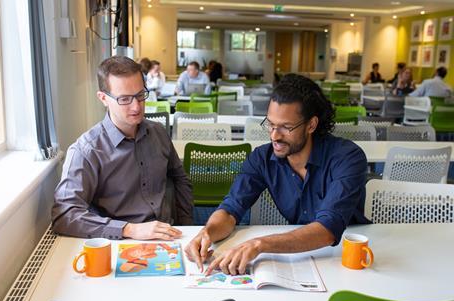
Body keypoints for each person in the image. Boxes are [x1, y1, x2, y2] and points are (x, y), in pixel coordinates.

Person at [185, 73, 369, 275]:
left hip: (351, 259)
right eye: (271, 124)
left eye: (286, 127)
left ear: (311, 125)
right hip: (301, 258)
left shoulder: (347, 157)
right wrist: (207, 233)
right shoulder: (262, 159)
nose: (274, 135)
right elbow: (230, 210)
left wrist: (259, 244)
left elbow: (327, 230)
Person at [52, 56, 193, 240]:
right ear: (103, 98)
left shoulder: (158, 133)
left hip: (168, 236)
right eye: (125, 99)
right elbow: (64, 215)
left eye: (140, 95)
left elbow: (180, 179)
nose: (136, 107)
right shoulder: (87, 150)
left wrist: (189, 228)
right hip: (119, 242)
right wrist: (129, 230)